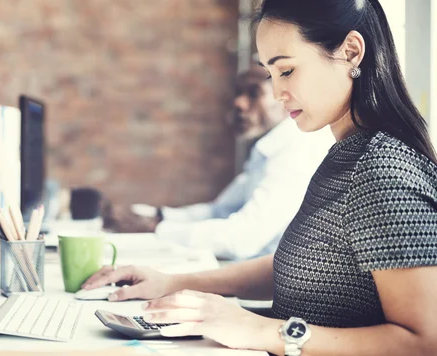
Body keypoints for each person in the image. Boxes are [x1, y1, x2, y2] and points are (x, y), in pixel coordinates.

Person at [83, 0, 437, 354]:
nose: (277, 93)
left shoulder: (385, 169)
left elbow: (422, 343)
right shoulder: (345, 155)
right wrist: (174, 283)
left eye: (286, 71)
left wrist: (260, 330)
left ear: (350, 52)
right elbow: (301, 265)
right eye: (270, 74)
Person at [106, 67, 334, 260]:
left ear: (286, 98)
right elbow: (220, 211)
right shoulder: (269, 148)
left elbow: (243, 239)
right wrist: (152, 215)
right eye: (238, 93)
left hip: (270, 291)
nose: (239, 103)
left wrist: (154, 228)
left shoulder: (299, 150)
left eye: (253, 93)